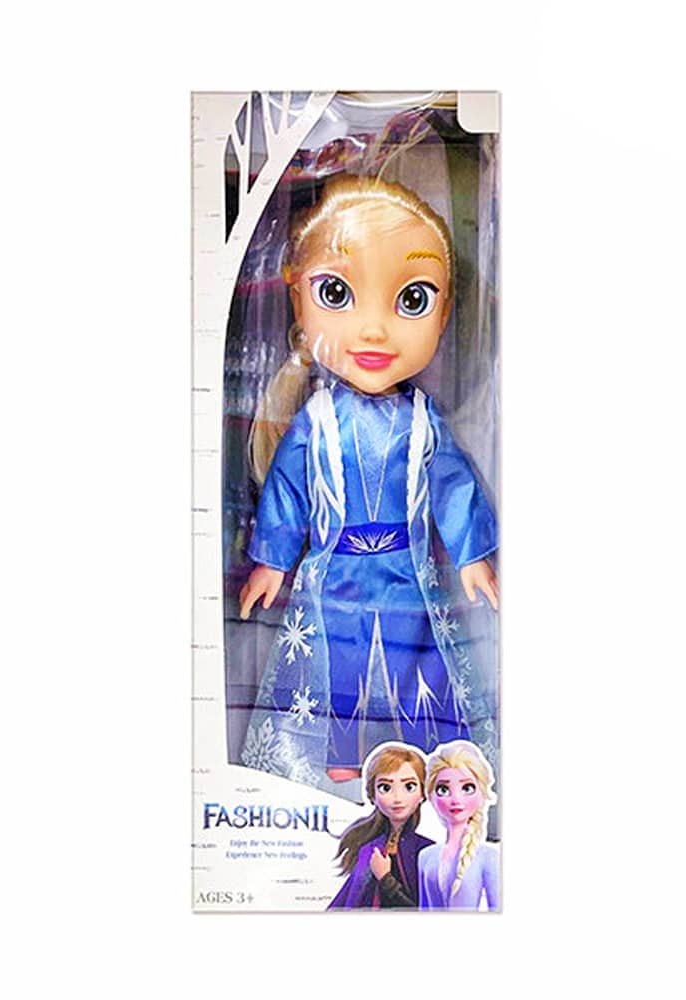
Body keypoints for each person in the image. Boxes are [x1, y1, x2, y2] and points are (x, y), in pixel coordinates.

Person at [238, 174, 498, 790]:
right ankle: (343, 751)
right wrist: (272, 560)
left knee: (417, 660)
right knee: (341, 663)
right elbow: (287, 492)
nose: (375, 330)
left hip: (407, 570)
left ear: (444, 311)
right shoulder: (317, 419)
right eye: (337, 293)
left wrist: (471, 555)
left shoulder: (422, 418)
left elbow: (452, 484)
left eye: (413, 299)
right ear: (297, 298)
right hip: (337, 573)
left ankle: (421, 750)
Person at [328, 743, 432, 909]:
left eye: (409, 787)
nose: (397, 798)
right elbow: (348, 901)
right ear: (373, 795)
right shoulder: (369, 849)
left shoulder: (426, 851)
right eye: (385, 787)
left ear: (422, 793)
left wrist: (385, 879)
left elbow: (426, 911)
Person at [418, 739, 499, 910]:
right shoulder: (425, 856)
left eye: (467, 788)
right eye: (443, 790)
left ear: (482, 793)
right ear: (431, 796)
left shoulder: (488, 857)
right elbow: (423, 909)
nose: (455, 799)